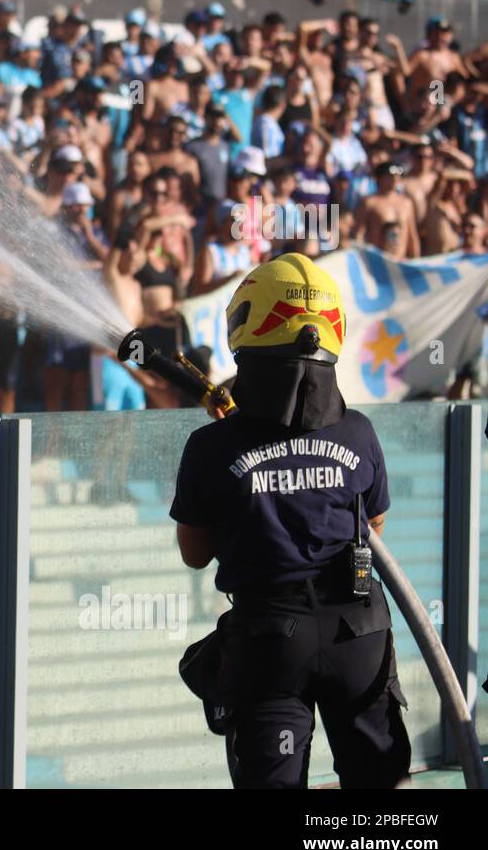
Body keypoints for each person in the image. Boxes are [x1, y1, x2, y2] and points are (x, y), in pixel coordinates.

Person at [171, 253, 411, 789]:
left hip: (269, 642)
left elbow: (194, 552)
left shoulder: (210, 446)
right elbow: (375, 525)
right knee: (385, 788)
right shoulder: (360, 432)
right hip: (361, 633)